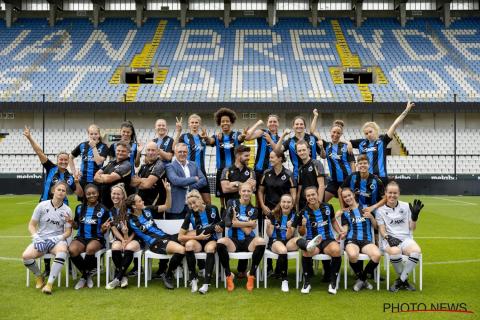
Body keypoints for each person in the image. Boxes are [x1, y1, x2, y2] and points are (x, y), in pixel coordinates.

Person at [22, 181, 73, 294]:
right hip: (42, 240)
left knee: (62, 251)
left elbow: (68, 231)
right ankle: (39, 277)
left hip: (57, 241)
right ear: (53, 191)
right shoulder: (42, 205)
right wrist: (36, 237)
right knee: (26, 256)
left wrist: (58, 238)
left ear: (65, 194)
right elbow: (31, 225)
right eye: (58, 189)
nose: (60, 192)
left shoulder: (67, 210)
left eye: (63, 190)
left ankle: (49, 284)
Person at [127, 193, 185, 289]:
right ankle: (168, 275)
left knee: (187, 238)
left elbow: (167, 206)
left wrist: (168, 191)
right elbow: (126, 231)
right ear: (134, 205)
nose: (143, 202)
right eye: (140, 201)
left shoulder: (147, 209)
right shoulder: (129, 219)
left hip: (165, 237)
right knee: (182, 250)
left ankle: (174, 270)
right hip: (155, 243)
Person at [292, 186, 343, 295]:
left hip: (327, 240)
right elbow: (301, 233)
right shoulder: (303, 212)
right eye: (308, 195)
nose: (311, 197)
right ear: (306, 198)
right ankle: (307, 283)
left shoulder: (328, 207)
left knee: (336, 250)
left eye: (313, 194)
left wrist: (339, 231)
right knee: (306, 252)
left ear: (317, 194)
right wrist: (303, 226)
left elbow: (333, 221)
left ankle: (333, 283)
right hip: (312, 241)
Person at [350, 101, 415, 186]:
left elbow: (395, 124)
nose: (368, 135)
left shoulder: (382, 140)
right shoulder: (361, 143)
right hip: (365, 178)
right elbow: (344, 142)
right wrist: (348, 144)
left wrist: (406, 110)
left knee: (382, 199)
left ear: (375, 130)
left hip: (381, 178)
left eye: (370, 132)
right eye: (366, 133)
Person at [216, 183, 266, 292]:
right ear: (239, 192)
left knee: (261, 241)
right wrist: (247, 223)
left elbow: (248, 231)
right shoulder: (231, 203)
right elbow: (229, 223)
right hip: (233, 241)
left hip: (248, 241)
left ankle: (251, 274)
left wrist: (236, 221)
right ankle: (229, 275)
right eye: (244, 191)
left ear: (252, 193)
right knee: (220, 242)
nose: (246, 193)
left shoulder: (254, 210)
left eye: (248, 191)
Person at [376, 181, 424, 292]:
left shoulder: (406, 206)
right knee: (395, 251)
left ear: (399, 194)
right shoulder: (380, 210)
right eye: (390, 193)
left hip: (406, 239)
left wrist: (414, 217)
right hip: (389, 239)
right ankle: (405, 281)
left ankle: (400, 281)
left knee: (416, 251)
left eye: (395, 193)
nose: (392, 195)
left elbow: (412, 228)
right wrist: (388, 238)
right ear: (385, 193)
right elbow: (382, 230)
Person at [257, 149, 296, 276]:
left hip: (283, 210)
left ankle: (279, 269)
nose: (270, 159)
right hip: (268, 211)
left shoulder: (289, 174)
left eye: (273, 157)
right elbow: (260, 191)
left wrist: (284, 208)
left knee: (283, 236)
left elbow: (293, 194)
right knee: (267, 237)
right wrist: (263, 206)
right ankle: (268, 268)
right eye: (270, 157)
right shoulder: (266, 173)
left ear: (280, 159)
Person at [201, 107, 246, 210]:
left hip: (234, 171)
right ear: (219, 123)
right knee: (221, 194)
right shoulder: (217, 137)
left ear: (231, 122)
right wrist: (205, 137)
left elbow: (240, 138)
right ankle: (222, 209)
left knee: (235, 195)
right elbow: (210, 141)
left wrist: (243, 136)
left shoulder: (236, 135)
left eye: (227, 121)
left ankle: (237, 211)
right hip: (221, 170)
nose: (225, 123)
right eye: (222, 121)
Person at [178, 190, 223, 294]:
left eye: (194, 202)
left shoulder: (213, 209)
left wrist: (220, 229)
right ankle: (193, 279)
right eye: (190, 204)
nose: (192, 206)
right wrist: (198, 237)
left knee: (211, 248)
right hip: (198, 240)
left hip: (211, 239)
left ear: (200, 199)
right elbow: (180, 237)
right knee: (189, 245)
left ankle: (206, 284)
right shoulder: (190, 214)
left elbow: (220, 225)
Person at [24, 126, 82, 204]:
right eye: (61, 159)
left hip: (61, 208)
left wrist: (77, 182)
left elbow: (80, 194)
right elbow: (39, 153)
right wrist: (29, 137)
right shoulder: (50, 168)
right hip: (44, 204)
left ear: (68, 161)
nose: (63, 162)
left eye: (66, 160)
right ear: (57, 161)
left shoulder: (69, 177)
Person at [69, 184, 111, 290]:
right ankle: (86, 275)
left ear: (98, 194)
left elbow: (104, 230)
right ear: (85, 195)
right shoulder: (79, 208)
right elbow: (77, 226)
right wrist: (72, 223)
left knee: (90, 249)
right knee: (72, 250)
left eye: (93, 193)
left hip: (96, 237)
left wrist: (103, 228)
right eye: (88, 194)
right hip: (81, 237)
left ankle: (83, 278)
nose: (91, 195)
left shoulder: (103, 210)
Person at [338, 188, 381, 291]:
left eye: (349, 195)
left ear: (353, 195)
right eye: (345, 197)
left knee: (377, 255)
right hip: (352, 240)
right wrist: (342, 233)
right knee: (352, 255)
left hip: (367, 240)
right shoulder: (345, 213)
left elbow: (376, 227)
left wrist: (371, 217)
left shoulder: (366, 208)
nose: (347, 198)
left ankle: (362, 279)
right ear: (343, 199)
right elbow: (345, 229)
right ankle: (364, 280)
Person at [105, 183, 141, 289]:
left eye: (118, 194)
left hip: (134, 237)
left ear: (123, 196)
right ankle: (123, 277)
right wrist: (122, 239)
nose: (115, 196)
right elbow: (114, 229)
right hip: (120, 238)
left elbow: (137, 228)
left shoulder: (130, 209)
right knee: (115, 247)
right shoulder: (110, 211)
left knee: (129, 248)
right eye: (113, 194)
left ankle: (117, 278)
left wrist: (127, 240)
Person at [264, 194, 299, 292]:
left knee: (297, 240)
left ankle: (307, 245)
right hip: (276, 241)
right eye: (284, 202)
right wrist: (268, 226)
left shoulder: (295, 216)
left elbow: (288, 236)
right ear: (280, 203)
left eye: (288, 202)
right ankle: (284, 280)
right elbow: (270, 234)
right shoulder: (273, 214)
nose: (286, 204)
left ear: (292, 205)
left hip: (288, 241)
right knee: (283, 251)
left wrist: (289, 227)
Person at [173, 114, 211, 204]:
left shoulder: (203, 137)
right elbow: (174, 148)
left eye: (196, 122)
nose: (194, 124)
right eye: (192, 122)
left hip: (202, 172)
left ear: (199, 124)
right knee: (189, 200)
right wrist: (178, 131)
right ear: (189, 124)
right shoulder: (184, 136)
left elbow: (213, 142)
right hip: (189, 172)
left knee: (207, 201)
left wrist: (207, 137)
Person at [273, 111, 321, 180]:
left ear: (304, 126)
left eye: (301, 124)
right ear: (293, 126)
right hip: (297, 175)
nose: (299, 126)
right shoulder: (289, 141)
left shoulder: (312, 138)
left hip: (314, 174)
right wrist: (283, 135)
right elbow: (276, 151)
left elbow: (323, 156)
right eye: (297, 124)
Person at [165, 143, 207, 219]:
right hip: (176, 208)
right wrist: (194, 179)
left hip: (193, 206)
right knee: (176, 231)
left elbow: (203, 180)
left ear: (187, 153)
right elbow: (175, 180)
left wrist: (190, 186)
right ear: (175, 153)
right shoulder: (170, 166)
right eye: (180, 152)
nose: (182, 154)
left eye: (184, 152)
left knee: (194, 230)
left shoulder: (194, 164)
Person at [317, 120, 355, 202]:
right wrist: (316, 116)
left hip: (346, 180)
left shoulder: (347, 146)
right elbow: (323, 156)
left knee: (348, 205)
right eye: (334, 132)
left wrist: (353, 178)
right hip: (333, 181)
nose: (335, 135)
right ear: (330, 132)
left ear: (341, 134)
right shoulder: (327, 146)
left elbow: (352, 164)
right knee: (321, 201)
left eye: (338, 133)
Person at [244, 115, 280, 189]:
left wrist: (270, 140)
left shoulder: (279, 139)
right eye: (270, 122)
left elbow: (279, 152)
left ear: (278, 123)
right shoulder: (262, 132)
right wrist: (258, 123)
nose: (272, 123)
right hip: (259, 170)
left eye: (274, 122)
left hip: (273, 171)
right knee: (258, 196)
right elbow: (247, 137)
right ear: (267, 123)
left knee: (270, 196)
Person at [69, 124, 108, 191]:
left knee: (94, 199)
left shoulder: (103, 146)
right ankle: (77, 201)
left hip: (96, 179)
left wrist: (93, 147)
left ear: (99, 134)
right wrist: (74, 172)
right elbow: (70, 157)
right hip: (83, 179)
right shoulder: (83, 145)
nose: (93, 136)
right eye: (91, 134)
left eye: (96, 134)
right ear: (88, 134)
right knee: (79, 197)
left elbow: (99, 162)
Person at [94, 140, 132, 208]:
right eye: (118, 150)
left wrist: (103, 176)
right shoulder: (111, 163)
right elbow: (96, 176)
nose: (120, 153)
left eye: (123, 151)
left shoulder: (127, 165)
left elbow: (109, 179)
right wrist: (105, 177)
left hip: (117, 202)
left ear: (128, 152)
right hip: (105, 199)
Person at [131, 141, 167, 207]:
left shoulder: (159, 165)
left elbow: (147, 185)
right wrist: (144, 180)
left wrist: (140, 181)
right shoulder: (144, 166)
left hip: (154, 205)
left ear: (158, 151)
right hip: (141, 203)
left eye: (153, 150)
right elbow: (132, 182)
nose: (150, 153)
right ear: (146, 152)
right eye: (148, 150)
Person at [296, 140, 327, 211]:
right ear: (297, 153)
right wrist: (297, 206)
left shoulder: (316, 164)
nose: (302, 152)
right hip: (304, 205)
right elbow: (300, 189)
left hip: (315, 203)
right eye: (299, 151)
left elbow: (321, 186)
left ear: (309, 150)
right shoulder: (300, 169)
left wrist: (318, 204)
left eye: (304, 150)